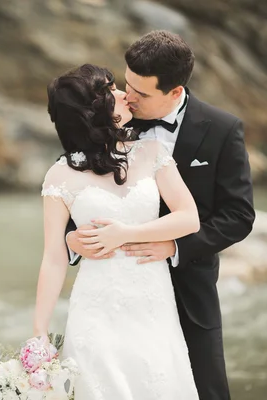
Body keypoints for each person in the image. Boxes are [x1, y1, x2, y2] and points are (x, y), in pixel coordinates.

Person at [66, 31, 256, 400]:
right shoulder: (111, 121)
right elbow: (75, 192)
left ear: (174, 92)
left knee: (205, 391)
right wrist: (71, 240)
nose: (128, 98)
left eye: (142, 93)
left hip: (190, 290)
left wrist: (174, 245)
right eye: (127, 85)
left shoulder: (222, 129)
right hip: (115, 294)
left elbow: (238, 214)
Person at [33, 63, 200, 399]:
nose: (125, 94)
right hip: (95, 310)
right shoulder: (59, 176)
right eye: (112, 90)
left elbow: (188, 218)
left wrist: (125, 233)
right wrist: (39, 331)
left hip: (153, 306)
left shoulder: (152, 152)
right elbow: (53, 256)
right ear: (93, 110)